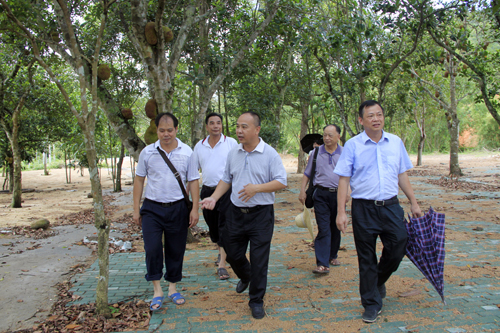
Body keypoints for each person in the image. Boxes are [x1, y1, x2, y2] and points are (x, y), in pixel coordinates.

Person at [334, 100, 422, 323]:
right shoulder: (353, 145)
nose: (376, 119)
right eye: (370, 116)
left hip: (391, 206)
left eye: (379, 114)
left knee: (399, 244)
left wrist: (413, 201)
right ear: (361, 120)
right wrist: (341, 212)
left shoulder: (395, 142)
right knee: (366, 257)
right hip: (363, 208)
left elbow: (402, 174)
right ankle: (371, 304)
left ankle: (377, 281)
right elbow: (344, 179)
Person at [199, 111, 287, 319]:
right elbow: (226, 179)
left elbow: (281, 181)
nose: (239, 130)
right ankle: (247, 276)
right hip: (236, 213)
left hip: (261, 215)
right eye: (238, 126)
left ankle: (256, 300)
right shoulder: (234, 153)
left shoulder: (270, 154)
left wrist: (257, 188)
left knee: (259, 260)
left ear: (257, 130)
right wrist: (213, 197)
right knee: (232, 253)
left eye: (244, 127)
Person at [133, 112, 200, 312]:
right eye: (162, 130)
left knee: (175, 249)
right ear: (157, 131)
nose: (166, 134)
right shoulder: (148, 152)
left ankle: (172, 287)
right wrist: (136, 209)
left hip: (178, 208)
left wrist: (195, 208)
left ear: (176, 130)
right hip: (152, 209)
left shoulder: (187, 152)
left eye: (170, 130)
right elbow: (139, 180)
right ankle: (157, 290)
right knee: (152, 248)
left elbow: (193, 181)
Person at [190, 112, 238, 280]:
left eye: (219, 123)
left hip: (226, 192)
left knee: (225, 225)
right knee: (214, 227)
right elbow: (193, 172)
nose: (216, 126)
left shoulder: (231, 143)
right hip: (207, 192)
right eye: (212, 123)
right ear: (207, 126)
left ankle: (222, 265)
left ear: (222, 125)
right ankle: (221, 250)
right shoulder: (199, 146)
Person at [299, 125, 343, 274]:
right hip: (320, 195)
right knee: (323, 228)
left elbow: (349, 175)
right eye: (325, 135)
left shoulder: (344, 153)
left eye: (330, 135)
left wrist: (349, 191)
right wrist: (302, 191)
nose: (327, 138)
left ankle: (333, 255)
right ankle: (322, 263)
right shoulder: (316, 152)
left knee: (335, 227)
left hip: (339, 195)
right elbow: (307, 173)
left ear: (338, 137)